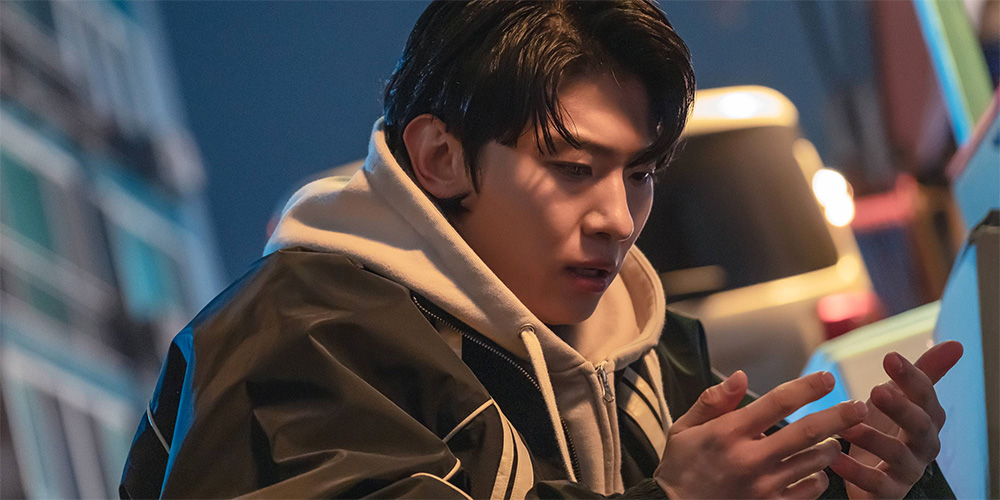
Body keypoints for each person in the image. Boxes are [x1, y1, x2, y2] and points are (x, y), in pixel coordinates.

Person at [119, 1, 963, 498]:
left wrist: (882, 482)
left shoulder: (650, 353)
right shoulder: (296, 340)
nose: (618, 219)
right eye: (572, 169)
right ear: (441, 156)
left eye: (641, 173)